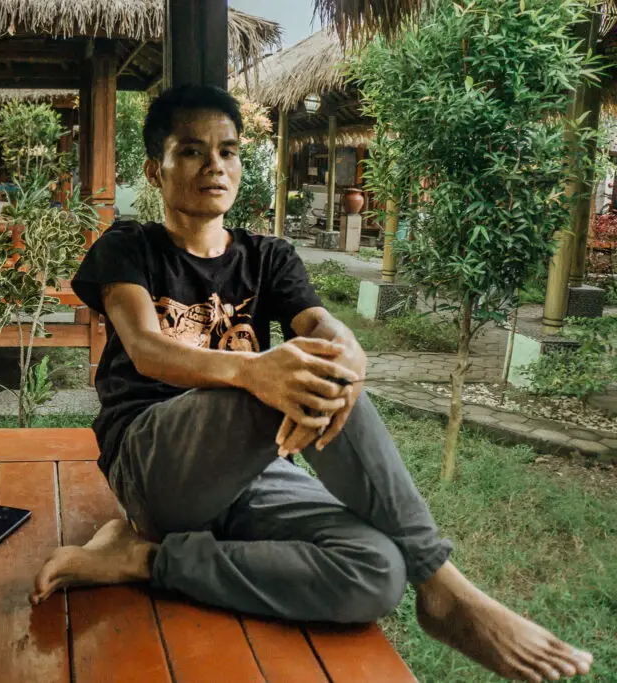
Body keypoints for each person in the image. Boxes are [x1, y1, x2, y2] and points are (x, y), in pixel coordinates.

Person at [30, 84, 594, 683]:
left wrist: (347, 349)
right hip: (156, 463)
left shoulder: (267, 256)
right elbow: (145, 350)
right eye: (192, 151)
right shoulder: (130, 247)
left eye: (228, 151)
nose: (215, 165)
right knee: (296, 372)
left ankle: (146, 560)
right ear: (156, 168)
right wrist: (258, 370)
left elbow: (323, 327)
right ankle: (446, 587)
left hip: (254, 473)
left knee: (376, 571)